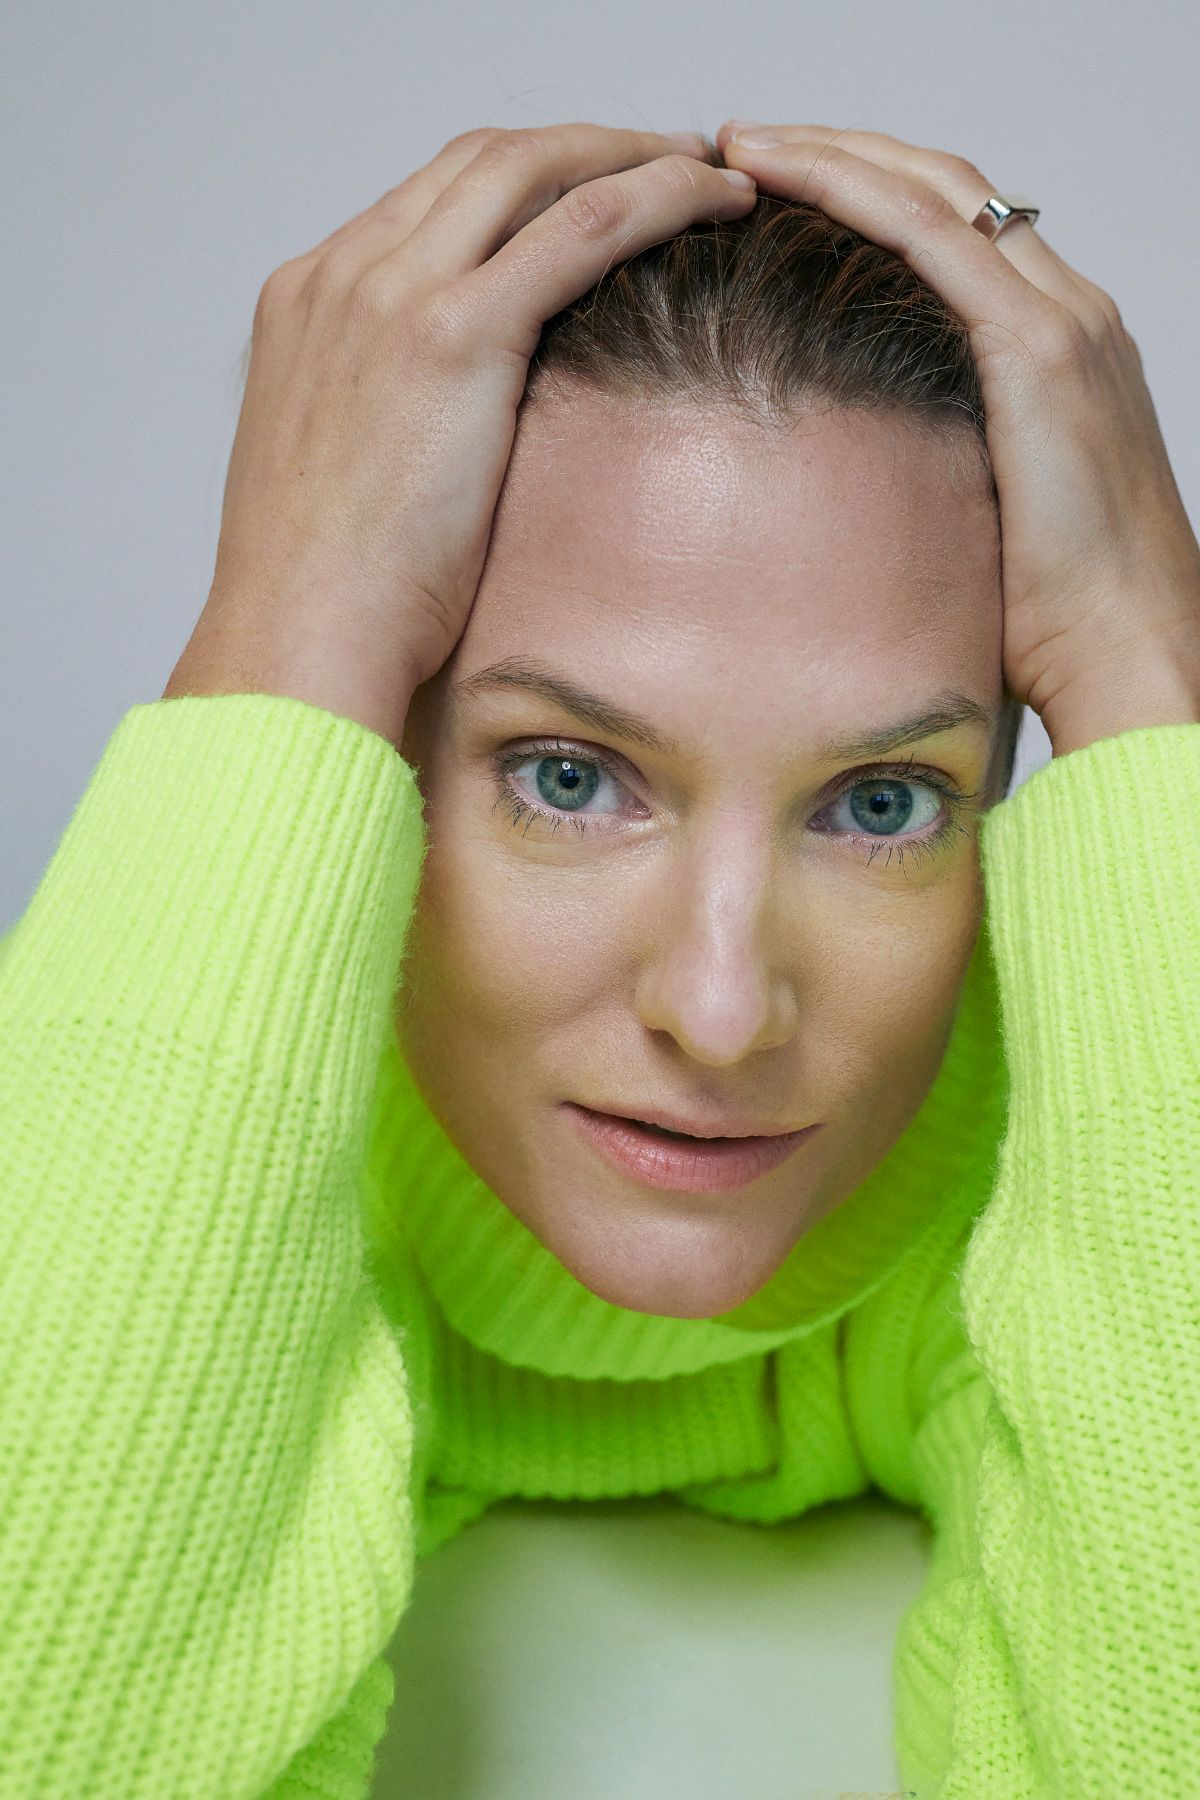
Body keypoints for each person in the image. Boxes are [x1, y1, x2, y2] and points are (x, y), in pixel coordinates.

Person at [0, 120, 1196, 1799]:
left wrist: (1148, 663)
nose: (720, 1012)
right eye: (568, 779)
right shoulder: (156, 1119)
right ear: (373, 735)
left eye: (881, 802)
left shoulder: (1064, 1156)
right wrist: (283, 616)